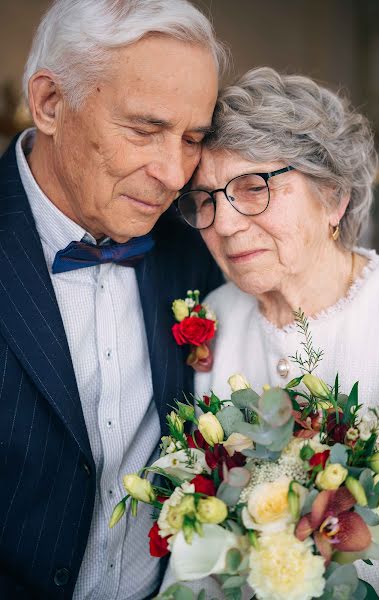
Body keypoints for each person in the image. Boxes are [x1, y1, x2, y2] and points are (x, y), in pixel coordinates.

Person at [0, 1, 226, 598]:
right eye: (145, 129)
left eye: (192, 139)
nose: (175, 173)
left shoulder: (201, 249)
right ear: (50, 103)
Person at [175, 67, 379, 599]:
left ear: (334, 197)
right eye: (205, 200)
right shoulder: (213, 317)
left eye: (254, 188)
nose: (224, 224)